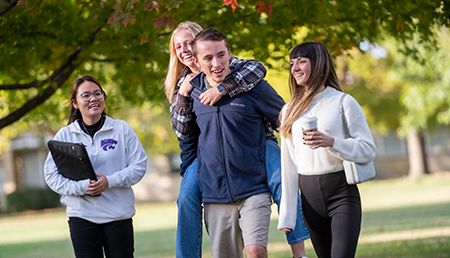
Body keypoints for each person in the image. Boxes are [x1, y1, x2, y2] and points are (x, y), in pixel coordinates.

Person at [165, 21, 309, 258]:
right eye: (179, 47)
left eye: (189, 42)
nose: (186, 50)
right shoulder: (184, 86)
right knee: (186, 199)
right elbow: (182, 130)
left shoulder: (235, 67)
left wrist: (223, 89)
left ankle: (299, 251)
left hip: (257, 140)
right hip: (206, 153)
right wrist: (183, 93)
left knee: (282, 180)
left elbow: (258, 70)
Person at [277, 42, 377, 258]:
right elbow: (288, 165)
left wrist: (332, 142)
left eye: (301, 61)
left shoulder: (343, 102)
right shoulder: (289, 111)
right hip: (310, 202)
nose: (294, 68)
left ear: (319, 64)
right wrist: (286, 214)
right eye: (292, 63)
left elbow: (368, 149)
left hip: (342, 196)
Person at [44, 75, 147, 258]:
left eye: (97, 93)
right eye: (86, 95)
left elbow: (139, 166)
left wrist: (110, 181)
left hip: (118, 216)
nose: (93, 98)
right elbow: (52, 176)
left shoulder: (121, 129)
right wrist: (81, 187)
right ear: (75, 103)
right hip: (82, 217)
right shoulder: (65, 135)